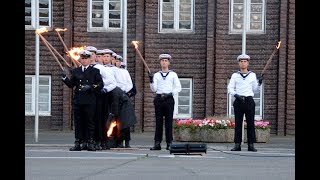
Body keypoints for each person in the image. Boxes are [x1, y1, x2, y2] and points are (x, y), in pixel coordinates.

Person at [61, 50, 103, 151]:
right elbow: (71, 85)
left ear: (90, 59)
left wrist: (90, 87)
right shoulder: (76, 71)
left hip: (89, 100)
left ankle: (90, 142)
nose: (84, 60)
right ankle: (78, 142)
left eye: (86, 58)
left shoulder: (95, 71)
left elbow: (100, 84)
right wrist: (65, 78)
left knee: (89, 122)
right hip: (79, 100)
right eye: (82, 58)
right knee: (78, 122)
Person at [227, 54, 263, 152]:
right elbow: (230, 88)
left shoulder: (252, 75)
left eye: (245, 61)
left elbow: (255, 90)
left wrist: (259, 83)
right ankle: (237, 145)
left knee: (250, 123)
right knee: (238, 123)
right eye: (241, 61)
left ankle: (251, 145)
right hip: (238, 100)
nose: (243, 63)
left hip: (249, 100)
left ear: (248, 63)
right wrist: (235, 95)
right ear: (239, 63)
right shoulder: (235, 75)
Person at [149, 53, 181, 150]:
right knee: (158, 122)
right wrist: (151, 81)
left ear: (169, 62)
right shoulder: (157, 75)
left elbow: (178, 87)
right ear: (160, 62)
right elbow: (154, 89)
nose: (164, 62)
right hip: (159, 98)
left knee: (168, 121)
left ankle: (169, 143)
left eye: (166, 60)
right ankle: (157, 143)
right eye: (162, 61)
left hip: (169, 99)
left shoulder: (173, 74)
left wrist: (170, 94)